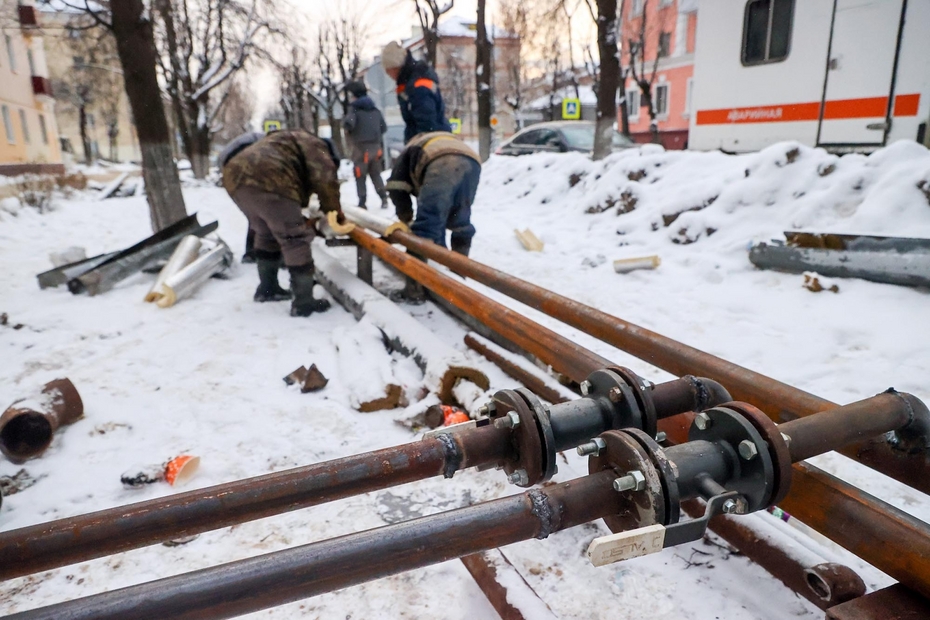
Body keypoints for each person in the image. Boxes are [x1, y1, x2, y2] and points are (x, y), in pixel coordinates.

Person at [222, 129, 342, 317]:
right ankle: (304, 302)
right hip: (268, 176)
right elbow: (326, 181)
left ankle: (268, 289)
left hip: (234, 177)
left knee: (266, 232)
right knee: (294, 238)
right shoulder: (318, 147)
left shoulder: (287, 140)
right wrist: (334, 212)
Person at [386, 131, 481, 257]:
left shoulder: (409, 149)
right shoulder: (435, 139)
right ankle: (460, 267)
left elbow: (396, 187)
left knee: (427, 223)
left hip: (440, 159)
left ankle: (417, 271)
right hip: (471, 159)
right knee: (459, 217)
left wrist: (405, 216)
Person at [380, 41, 452, 142]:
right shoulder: (409, 82)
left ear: (395, 67)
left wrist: (417, 146)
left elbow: (426, 123)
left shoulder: (418, 86)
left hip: (431, 139)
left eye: (388, 70)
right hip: (439, 134)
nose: (388, 75)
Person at [218, 131, 265, 263]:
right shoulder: (263, 149)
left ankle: (252, 253)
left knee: (255, 215)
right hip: (238, 176)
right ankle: (264, 254)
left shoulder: (259, 144)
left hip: (231, 177)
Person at [343, 81, 388, 209]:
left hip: (361, 148)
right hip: (376, 148)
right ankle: (383, 197)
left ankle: (362, 202)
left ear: (355, 96)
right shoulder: (375, 110)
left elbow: (349, 124)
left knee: (359, 174)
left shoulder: (354, 110)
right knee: (375, 173)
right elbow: (383, 128)